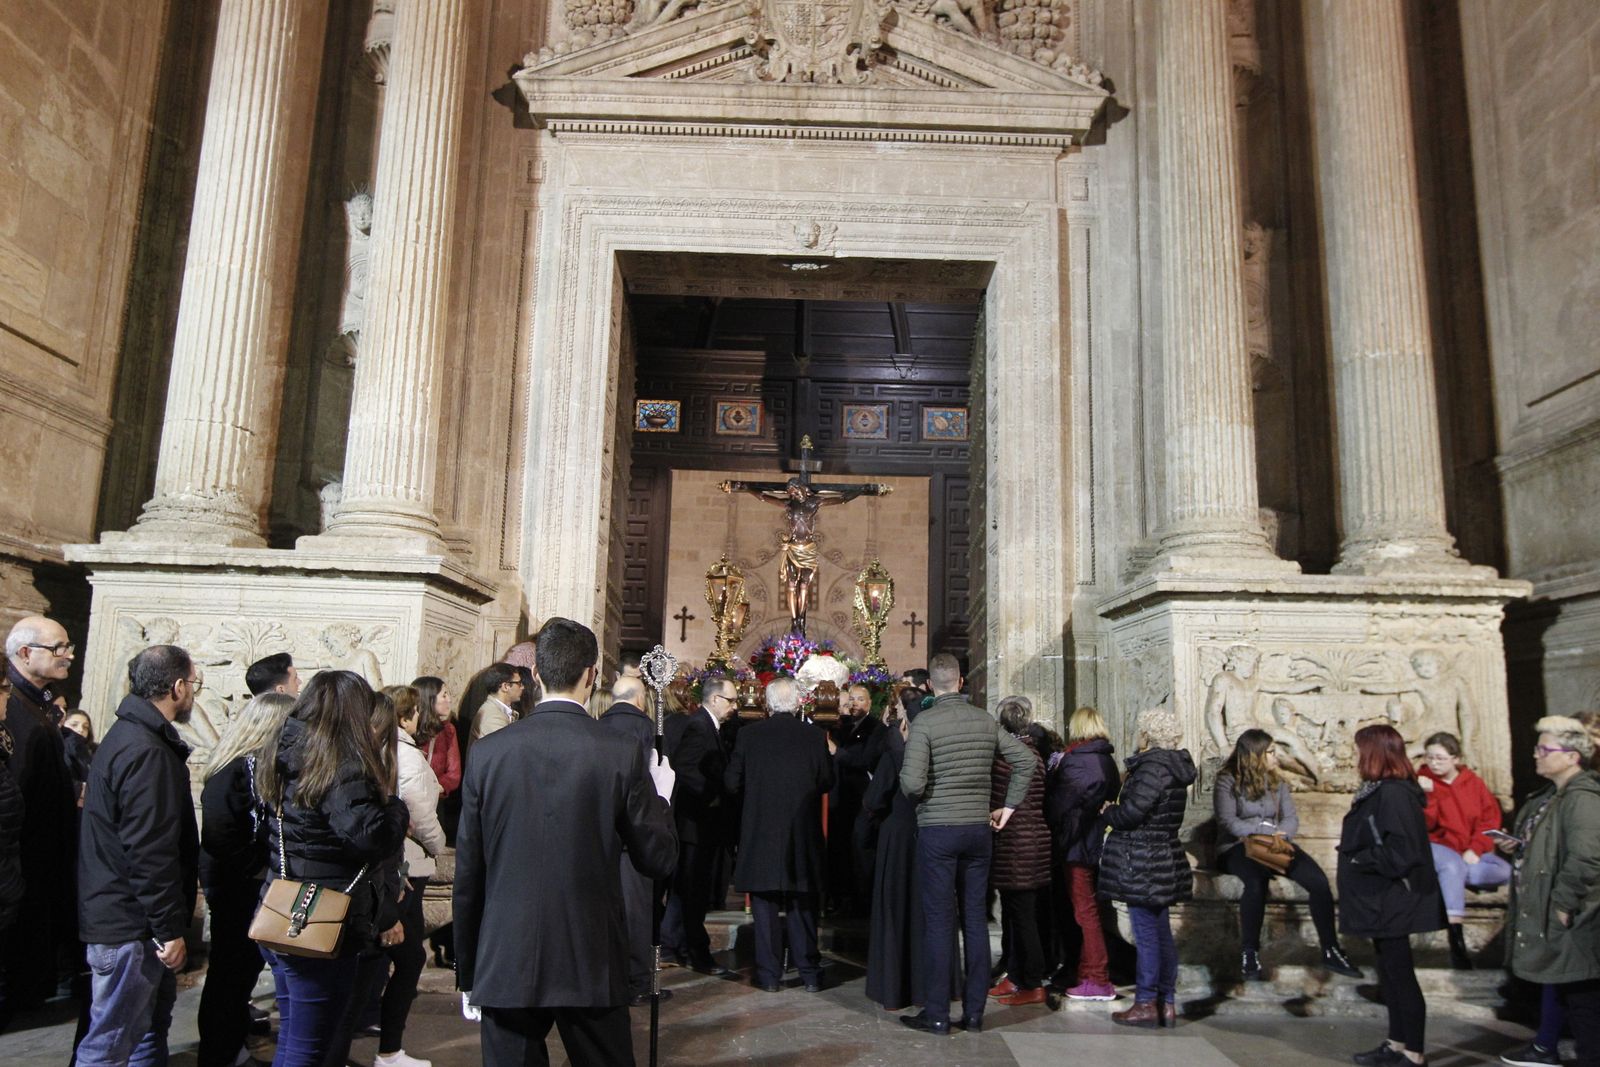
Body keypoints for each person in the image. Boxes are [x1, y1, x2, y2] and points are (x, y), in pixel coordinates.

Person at [454, 617, 678, 1067]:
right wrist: (663, 798)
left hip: (507, 955)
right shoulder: (619, 750)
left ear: (535, 673)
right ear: (592, 675)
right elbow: (658, 858)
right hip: (589, 953)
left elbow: (470, 869)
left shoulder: (487, 754)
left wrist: (469, 968)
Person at [256, 670, 409, 1067]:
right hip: (321, 916)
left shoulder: (284, 749)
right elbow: (369, 837)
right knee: (312, 1044)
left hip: (283, 903)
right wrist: (395, 808)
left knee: (294, 1035)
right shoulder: (339, 765)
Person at [76, 645, 201, 1067]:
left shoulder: (128, 735)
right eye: (194, 685)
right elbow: (150, 850)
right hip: (130, 926)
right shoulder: (146, 750)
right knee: (109, 1045)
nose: (194, 696)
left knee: (145, 1032)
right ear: (177, 686)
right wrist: (168, 929)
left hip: (126, 918)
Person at [897, 652, 1034, 1036]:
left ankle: (938, 1013)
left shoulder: (924, 722)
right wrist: (1007, 806)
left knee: (940, 922)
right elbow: (1024, 760)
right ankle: (974, 1014)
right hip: (978, 830)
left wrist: (925, 797)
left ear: (930, 686)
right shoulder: (984, 720)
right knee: (975, 920)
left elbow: (911, 783)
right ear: (960, 682)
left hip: (939, 830)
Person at [1214, 729, 1361, 982]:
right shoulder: (1227, 781)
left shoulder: (1277, 782)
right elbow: (1228, 821)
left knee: (1318, 881)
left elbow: (1291, 817)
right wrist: (1264, 830)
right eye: (1270, 752)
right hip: (1238, 847)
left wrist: (1283, 834)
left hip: (1275, 845)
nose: (1276, 757)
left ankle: (1331, 949)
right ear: (1255, 755)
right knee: (1255, 881)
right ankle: (1250, 953)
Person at [197, 690, 295, 1067]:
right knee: (228, 978)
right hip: (236, 889)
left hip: (250, 886)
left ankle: (233, 1046)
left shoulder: (258, 768)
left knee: (240, 976)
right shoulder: (232, 771)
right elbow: (220, 836)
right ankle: (218, 1054)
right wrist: (257, 867)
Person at [1337, 724, 1444, 1067]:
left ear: (1374, 754)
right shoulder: (1377, 791)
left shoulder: (1393, 794)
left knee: (1401, 975)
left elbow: (1403, 850)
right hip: (1380, 898)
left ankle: (1413, 1051)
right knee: (1390, 974)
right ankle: (1397, 1042)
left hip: (1394, 897)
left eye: (1359, 749)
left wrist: (1359, 859)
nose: (1354, 756)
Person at [1500, 716, 1600, 1067]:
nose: (1536, 755)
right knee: (1566, 985)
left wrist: (1563, 903)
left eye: (1545, 749)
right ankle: (1548, 1047)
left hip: (1576, 912)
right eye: (1537, 747)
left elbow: (1588, 855)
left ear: (1572, 756)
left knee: (1582, 994)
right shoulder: (1550, 796)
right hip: (1556, 907)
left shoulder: (1582, 798)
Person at [725, 677, 834, 993]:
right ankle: (810, 973)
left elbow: (732, 782)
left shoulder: (748, 736)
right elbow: (827, 780)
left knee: (764, 907)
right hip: (802, 835)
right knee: (803, 906)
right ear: (798, 703)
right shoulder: (814, 736)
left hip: (761, 833)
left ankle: (770, 975)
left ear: (767, 705)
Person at [1099, 708, 1196, 1029]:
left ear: (1147, 734)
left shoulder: (1153, 768)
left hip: (1142, 859)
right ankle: (1165, 1003)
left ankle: (1144, 1003)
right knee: (1161, 932)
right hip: (1163, 854)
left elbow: (1132, 814)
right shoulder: (1174, 767)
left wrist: (1110, 811)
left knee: (1147, 934)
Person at [2, 616, 79, 1011]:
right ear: (25, 652)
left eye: (67, 647)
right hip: (20, 857)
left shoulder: (43, 704)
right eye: (58, 648)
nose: (68, 655)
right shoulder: (11, 709)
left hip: (46, 853)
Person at [366, 685, 444, 1067]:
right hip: (404, 865)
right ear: (405, 715)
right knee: (403, 955)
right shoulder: (405, 755)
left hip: (398, 866)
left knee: (399, 956)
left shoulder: (378, 750)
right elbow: (416, 812)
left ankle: (387, 1045)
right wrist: (439, 842)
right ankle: (388, 1049)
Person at [1043, 705, 1120, 1001]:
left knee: (1085, 911)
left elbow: (1060, 805)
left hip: (1077, 844)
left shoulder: (1079, 761)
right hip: (1091, 840)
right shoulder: (1105, 760)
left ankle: (1097, 978)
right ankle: (1088, 972)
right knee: (1089, 910)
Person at [1415, 731, 1509, 970]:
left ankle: (1449, 880)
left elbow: (1489, 821)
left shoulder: (1473, 783)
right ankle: (1456, 939)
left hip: (1468, 850)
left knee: (1504, 871)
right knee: (1451, 866)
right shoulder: (1421, 781)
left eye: (1440, 758)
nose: (1433, 763)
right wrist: (1427, 796)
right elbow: (1425, 824)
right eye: (1429, 757)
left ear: (1455, 759)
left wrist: (1476, 848)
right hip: (1437, 846)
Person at [661, 676, 736, 975]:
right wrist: (713, 797)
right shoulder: (699, 726)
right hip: (695, 825)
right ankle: (696, 953)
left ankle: (673, 943)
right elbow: (685, 767)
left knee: (687, 891)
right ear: (715, 699)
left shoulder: (709, 726)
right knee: (693, 893)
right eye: (730, 700)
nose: (734, 706)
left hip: (698, 825)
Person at [597, 675, 663, 1006]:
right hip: (635, 832)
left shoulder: (596, 725)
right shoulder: (647, 728)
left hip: (601, 833)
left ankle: (609, 975)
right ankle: (638, 980)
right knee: (638, 910)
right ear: (640, 700)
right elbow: (651, 783)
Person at [864, 688, 928, 1012]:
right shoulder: (934, 750)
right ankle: (924, 987)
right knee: (923, 913)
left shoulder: (896, 754)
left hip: (897, 834)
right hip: (927, 834)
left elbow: (873, 800)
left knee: (894, 910)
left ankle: (893, 987)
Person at [986, 696, 1051, 1007]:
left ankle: (1033, 983)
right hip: (1032, 840)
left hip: (1016, 843)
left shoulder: (1007, 759)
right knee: (1016, 915)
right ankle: (1015, 974)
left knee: (1023, 918)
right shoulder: (1035, 753)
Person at [828, 683, 881, 916]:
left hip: (860, 798)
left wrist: (837, 753)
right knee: (840, 849)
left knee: (859, 850)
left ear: (869, 703)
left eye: (860, 699)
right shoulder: (844, 727)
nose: (855, 703)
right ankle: (841, 898)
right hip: (841, 798)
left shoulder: (874, 728)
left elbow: (865, 760)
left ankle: (861, 902)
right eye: (852, 699)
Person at [466, 665, 524, 746]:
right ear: (505, 686)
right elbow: (509, 750)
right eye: (519, 683)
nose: (522, 687)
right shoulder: (492, 717)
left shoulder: (499, 711)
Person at [61, 710, 96, 808]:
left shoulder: (92, 753)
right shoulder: (59, 747)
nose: (80, 729)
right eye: (74, 724)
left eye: (85, 727)